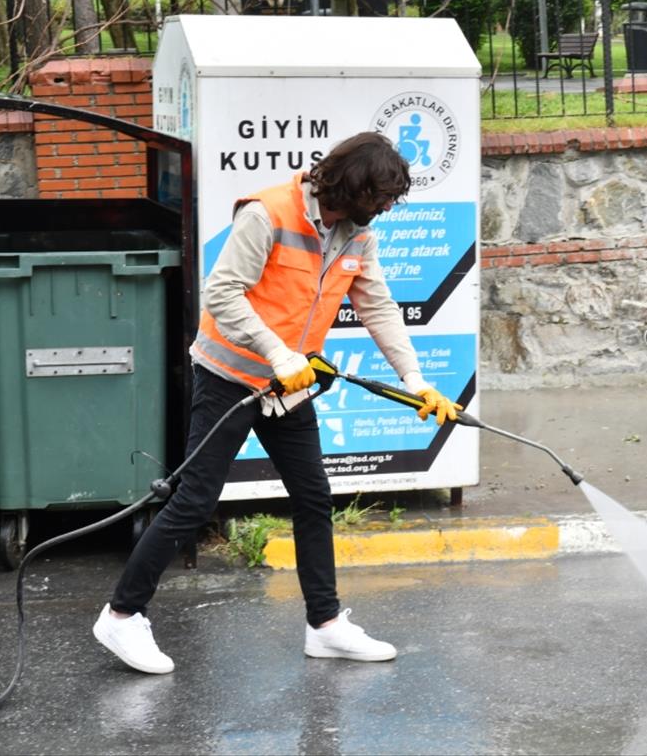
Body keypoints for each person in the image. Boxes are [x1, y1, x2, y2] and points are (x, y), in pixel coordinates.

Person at [93, 132, 462, 674]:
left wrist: (416, 380)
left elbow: (377, 305)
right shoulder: (267, 214)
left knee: (313, 498)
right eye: (379, 199)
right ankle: (121, 616)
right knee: (195, 501)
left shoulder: (356, 233)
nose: (384, 210)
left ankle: (325, 625)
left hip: (289, 385)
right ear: (353, 187)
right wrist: (275, 352)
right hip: (230, 375)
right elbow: (222, 293)